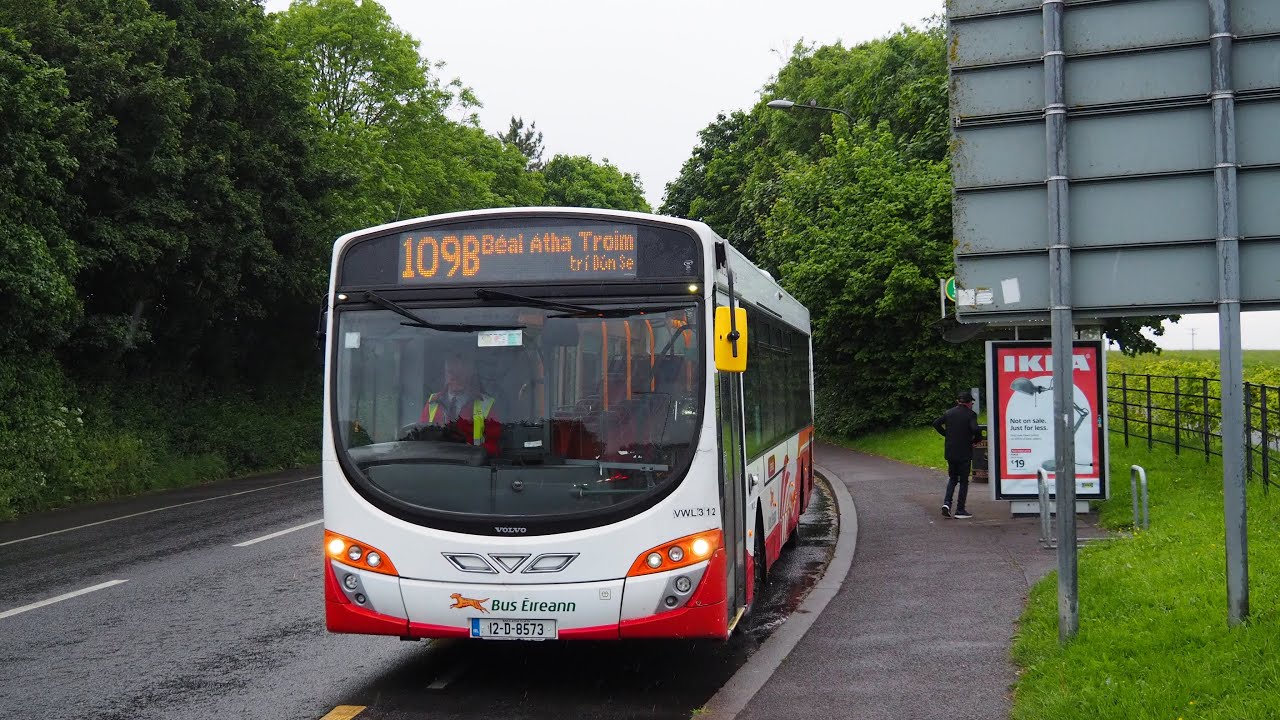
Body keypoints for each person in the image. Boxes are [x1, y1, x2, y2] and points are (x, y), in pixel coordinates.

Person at [420, 353, 501, 454]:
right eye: (451, 372)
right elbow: (421, 439)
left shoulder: (486, 404)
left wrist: (474, 452)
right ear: (445, 374)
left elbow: (495, 445)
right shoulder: (432, 402)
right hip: (438, 463)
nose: (456, 377)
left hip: (473, 466)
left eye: (461, 373)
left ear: (470, 374)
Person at [932, 391, 982, 519]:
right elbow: (976, 429)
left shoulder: (949, 413)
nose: (972, 404)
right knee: (964, 481)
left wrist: (946, 434)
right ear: (969, 403)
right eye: (971, 402)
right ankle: (960, 510)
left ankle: (947, 504)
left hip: (950, 452)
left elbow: (936, 423)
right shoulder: (971, 415)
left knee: (953, 479)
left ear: (958, 401)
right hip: (964, 452)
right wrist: (976, 440)